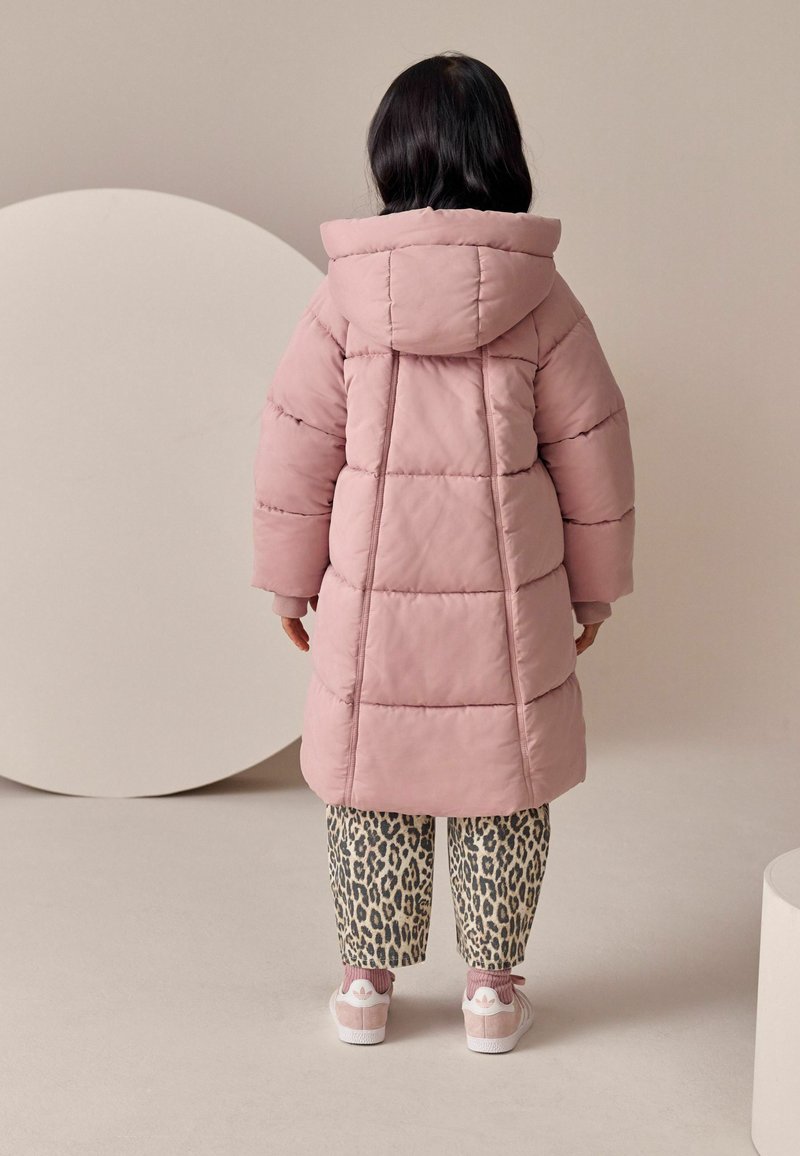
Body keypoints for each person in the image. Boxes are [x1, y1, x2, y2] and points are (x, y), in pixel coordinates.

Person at [250, 51, 635, 1053]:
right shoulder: (543, 300)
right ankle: (490, 994)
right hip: (506, 607)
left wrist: (289, 581)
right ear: (502, 155)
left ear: (391, 154)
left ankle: (364, 986)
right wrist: (593, 594)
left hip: (373, 602)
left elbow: (297, 443)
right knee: (501, 780)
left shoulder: (344, 298)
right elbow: (591, 448)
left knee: (370, 776)